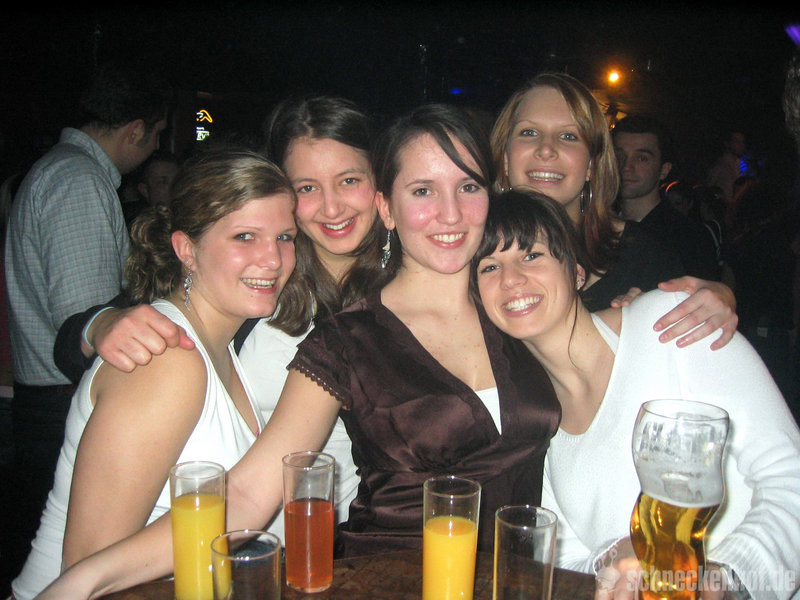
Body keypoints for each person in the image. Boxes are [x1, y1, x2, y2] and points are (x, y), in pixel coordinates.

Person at [33, 103, 562, 600]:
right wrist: (99, 324)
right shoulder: (269, 299)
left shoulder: (508, 299)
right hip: (334, 569)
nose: (449, 213)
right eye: (307, 187)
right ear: (390, 204)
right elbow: (246, 490)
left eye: (467, 186)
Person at [50, 96, 382, 540]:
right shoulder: (260, 278)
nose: (332, 207)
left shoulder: (408, 283)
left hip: (353, 542)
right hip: (243, 544)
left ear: (379, 181)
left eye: (349, 180)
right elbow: (87, 345)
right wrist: (102, 324)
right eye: (306, 188)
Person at [472, 189, 800, 600]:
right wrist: (614, 557)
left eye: (532, 255)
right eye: (489, 266)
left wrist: (726, 581)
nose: (511, 279)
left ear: (577, 272)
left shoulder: (673, 322)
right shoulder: (534, 417)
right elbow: (567, 558)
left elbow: (789, 475)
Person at [11, 148, 298, 600]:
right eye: (245, 236)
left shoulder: (218, 345)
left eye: (285, 237)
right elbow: (88, 568)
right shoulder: (167, 361)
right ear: (186, 250)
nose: (274, 259)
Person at [3, 61, 171, 574]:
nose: (154, 147)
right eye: (156, 134)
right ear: (135, 130)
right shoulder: (78, 179)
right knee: (64, 563)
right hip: (58, 402)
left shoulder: (62, 169)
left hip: (47, 400)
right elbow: (88, 323)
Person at [490, 72, 738, 347]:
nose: (546, 149)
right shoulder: (471, 251)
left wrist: (714, 300)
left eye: (569, 136)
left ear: (591, 164)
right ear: (505, 156)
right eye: (529, 133)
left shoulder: (645, 258)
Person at [612, 114, 719, 281]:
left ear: (664, 170)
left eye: (641, 158)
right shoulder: (597, 226)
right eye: (619, 156)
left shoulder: (688, 238)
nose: (626, 166)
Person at [121, 150, 181, 228]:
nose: (172, 187)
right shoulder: (137, 228)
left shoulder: (190, 220)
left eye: (176, 181)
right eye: (163, 182)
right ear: (144, 190)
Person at [707, 129, 747, 206]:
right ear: (727, 144)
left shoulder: (737, 165)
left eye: (742, 142)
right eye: (736, 141)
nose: (741, 145)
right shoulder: (722, 166)